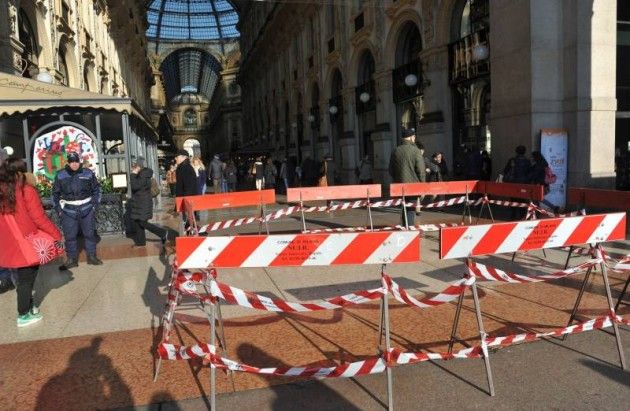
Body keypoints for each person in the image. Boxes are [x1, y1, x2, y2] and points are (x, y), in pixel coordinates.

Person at [1, 158, 62, 327]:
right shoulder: (26, 190)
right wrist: (56, 235)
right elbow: (38, 218)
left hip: (8, 242)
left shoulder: (2, 190)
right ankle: (23, 314)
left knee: (20, 277)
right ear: (22, 172)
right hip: (26, 240)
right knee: (26, 279)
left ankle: (29, 306)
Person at [53, 151, 102, 268]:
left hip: (87, 208)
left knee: (90, 234)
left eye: (76, 161)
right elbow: (54, 194)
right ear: (68, 162)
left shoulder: (88, 173)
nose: (74, 164)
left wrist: (95, 204)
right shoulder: (60, 175)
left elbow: (97, 189)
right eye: (71, 162)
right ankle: (71, 259)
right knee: (70, 236)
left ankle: (91, 256)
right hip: (69, 210)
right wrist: (59, 209)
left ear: (79, 162)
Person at [389, 128, 427, 226]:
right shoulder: (415, 151)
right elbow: (421, 171)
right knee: (410, 209)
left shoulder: (395, 151)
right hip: (413, 186)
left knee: (404, 207)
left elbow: (390, 170)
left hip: (399, 186)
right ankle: (408, 230)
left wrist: (398, 179)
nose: (415, 138)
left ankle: (404, 228)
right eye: (414, 136)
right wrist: (422, 186)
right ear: (410, 137)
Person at [129, 157, 168, 247]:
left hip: (143, 203)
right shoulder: (143, 174)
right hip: (140, 202)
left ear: (138, 166)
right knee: (138, 221)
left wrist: (133, 175)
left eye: (133, 166)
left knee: (142, 222)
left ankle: (162, 233)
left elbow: (135, 186)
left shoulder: (143, 175)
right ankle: (140, 242)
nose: (132, 168)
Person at [175, 149, 198, 222]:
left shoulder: (186, 168)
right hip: (183, 201)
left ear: (184, 157)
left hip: (187, 202)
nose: (175, 158)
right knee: (187, 224)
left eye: (177, 156)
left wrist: (185, 204)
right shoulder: (182, 167)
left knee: (189, 223)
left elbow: (189, 188)